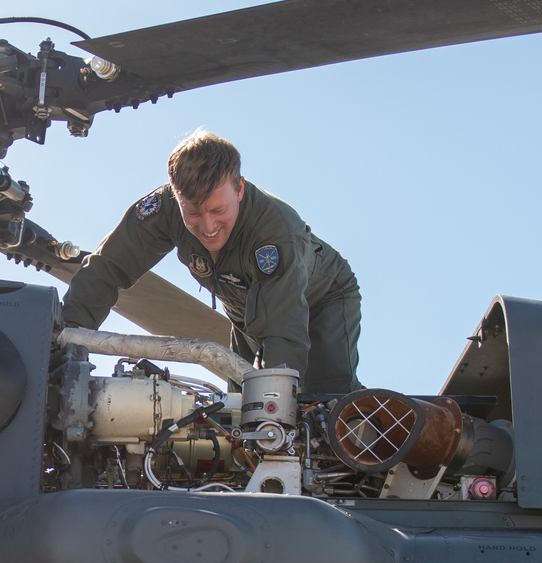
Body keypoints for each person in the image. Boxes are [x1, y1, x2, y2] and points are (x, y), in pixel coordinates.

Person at [62, 131, 362, 393]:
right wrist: (70, 335)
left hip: (322, 301)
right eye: (193, 213)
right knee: (238, 415)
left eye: (218, 210)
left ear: (239, 189)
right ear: (176, 196)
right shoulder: (164, 209)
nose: (207, 227)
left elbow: (283, 328)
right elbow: (108, 266)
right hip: (248, 316)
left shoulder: (275, 233)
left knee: (319, 407)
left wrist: (275, 404)